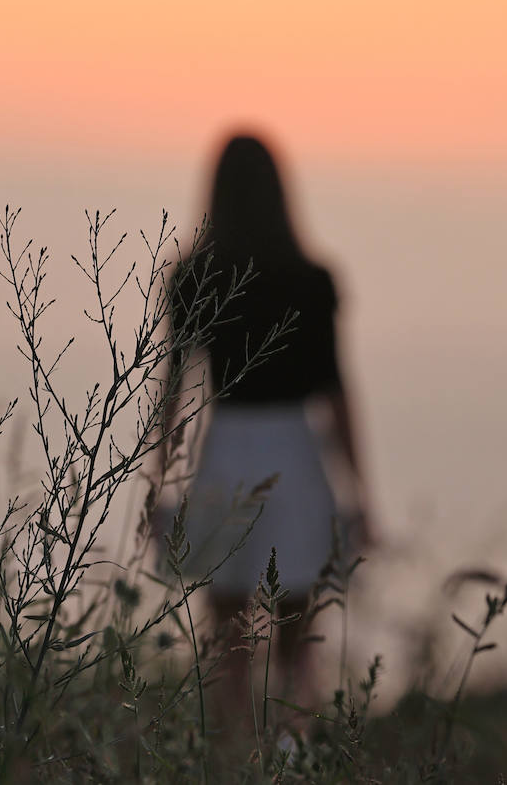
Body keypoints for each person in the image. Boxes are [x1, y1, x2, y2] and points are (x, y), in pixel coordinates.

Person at [156, 132, 373, 721]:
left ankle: (228, 749)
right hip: (296, 455)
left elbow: (174, 385)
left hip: (224, 452)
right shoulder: (311, 277)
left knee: (226, 636)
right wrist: (361, 493)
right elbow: (336, 391)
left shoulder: (192, 274)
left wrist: (158, 480)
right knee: (299, 636)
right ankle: (292, 745)